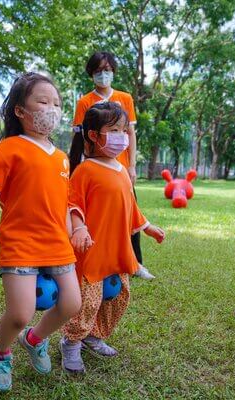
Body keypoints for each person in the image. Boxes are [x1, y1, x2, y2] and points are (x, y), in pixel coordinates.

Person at [0, 72, 81, 391]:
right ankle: (1, 353)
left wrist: (72, 232)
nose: (52, 109)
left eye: (57, 103)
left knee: (72, 304)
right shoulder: (10, 148)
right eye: (43, 101)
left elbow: (62, 204)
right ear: (20, 111)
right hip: (20, 243)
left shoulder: (62, 158)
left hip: (57, 244)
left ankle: (35, 339)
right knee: (20, 313)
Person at [60, 102, 166, 373]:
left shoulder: (120, 170)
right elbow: (73, 205)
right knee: (89, 300)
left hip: (118, 251)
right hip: (93, 251)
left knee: (119, 297)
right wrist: (80, 228)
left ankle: (94, 336)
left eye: (123, 130)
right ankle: (71, 343)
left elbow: (130, 206)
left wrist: (148, 227)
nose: (122, 136)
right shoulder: (84, 170)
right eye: (114, 130)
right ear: (94, 135)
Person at [73, 51, 153, 280]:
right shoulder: (84, 102)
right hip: (96, 167)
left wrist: (132, 165)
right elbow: (79, 136)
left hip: (121, 169)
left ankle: (135, 262)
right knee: (95, 217)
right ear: (91, 74)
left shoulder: (124, 98)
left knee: (128, 213)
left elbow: (131, 133)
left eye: (107, 70)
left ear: (114, 72)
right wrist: (78, 163)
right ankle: (95, 259)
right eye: (98, 70)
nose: (103, 75)